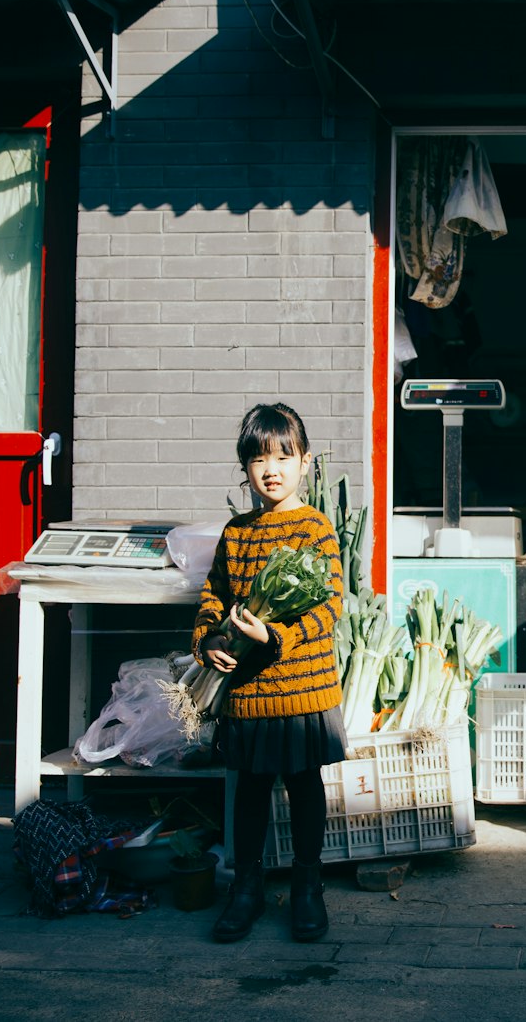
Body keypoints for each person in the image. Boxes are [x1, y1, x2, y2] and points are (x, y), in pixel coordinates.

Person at [193, 403, 347, 944]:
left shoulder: (315, 528)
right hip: (249, 693)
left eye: (283, 456)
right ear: (245, 468)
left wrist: (275, 638)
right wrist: (210, 640)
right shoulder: (235, 534)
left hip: (302, 690)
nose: (271, 469)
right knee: (250, 792)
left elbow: (329, 605)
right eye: (258, 459)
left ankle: (308, 888)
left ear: (305, 462)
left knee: (306, 788)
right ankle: (247, 890)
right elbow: (214, 594)